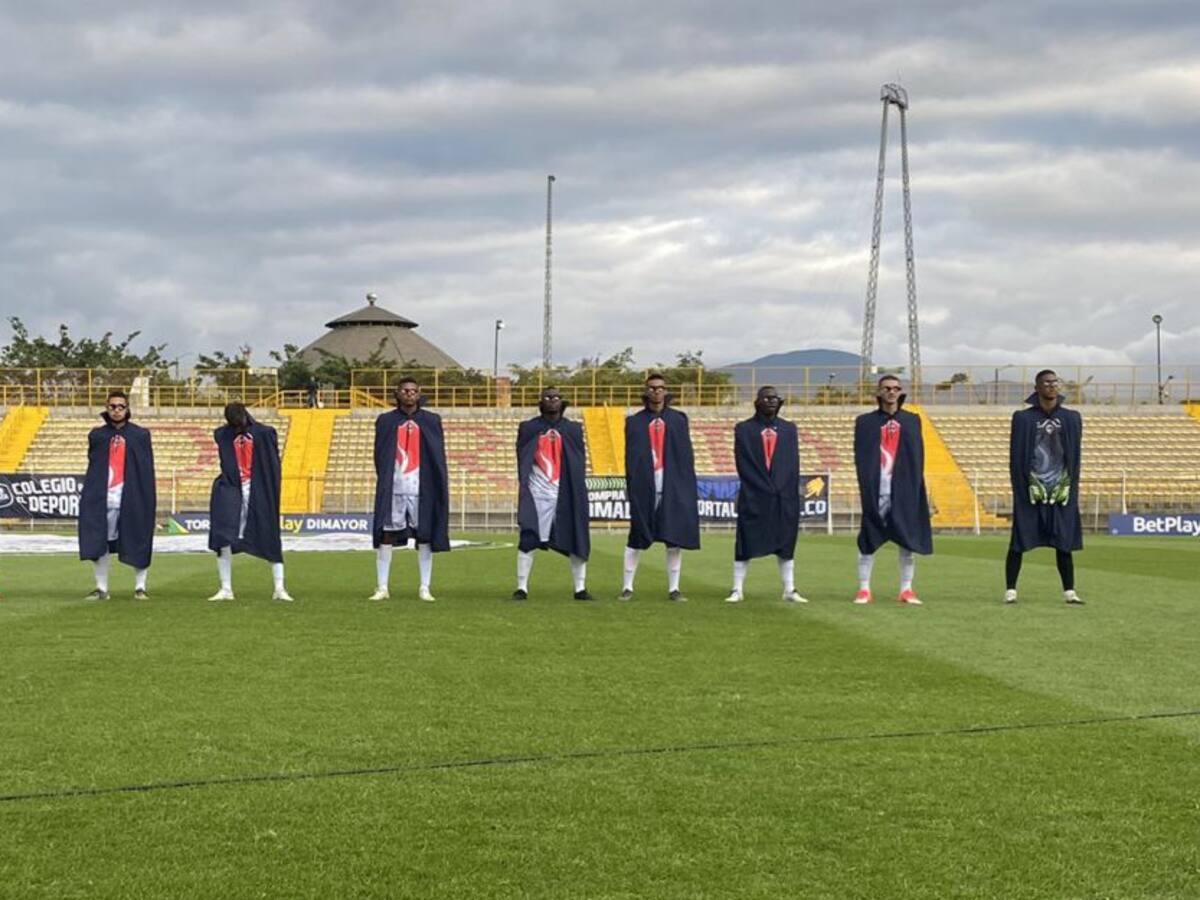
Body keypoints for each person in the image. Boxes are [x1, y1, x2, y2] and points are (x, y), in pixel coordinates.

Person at [1005, 369, 1084, 605]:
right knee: (1019, 540)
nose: (1052, 386)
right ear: (1037, 387)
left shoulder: (1072, 418)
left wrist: (1069, 484)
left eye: (1055, 382)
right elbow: (1016, 455)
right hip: (1032, 489)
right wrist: (1024, 486)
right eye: (1047, 382)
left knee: (1064, 541)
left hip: (1061, 488)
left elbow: (1075, 456)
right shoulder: (1023, 418)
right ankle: (1011, 590)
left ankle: (1069, 591)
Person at [852, 374, 933, 604]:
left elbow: (917, 456)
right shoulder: (865, 422)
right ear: (879, 392)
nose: (891, 392)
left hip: (903, 491)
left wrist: (913, 487)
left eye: (896, 388)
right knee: (867, 540)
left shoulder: (912, 420)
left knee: (906, 542)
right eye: (886, 388)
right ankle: (864, 589)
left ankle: (906, 589)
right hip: (876, 489)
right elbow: (860, 456)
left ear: (900, 392)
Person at [620, 373, 700, 602]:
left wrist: (685, 486)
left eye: (660, 388)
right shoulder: (634, 422)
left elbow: (686, 456)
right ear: (646, 392)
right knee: (636, 536)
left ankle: (674, 588)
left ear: (666, 391)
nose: (656, 391)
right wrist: (633, 485)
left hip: (672, 482)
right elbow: (630, 457)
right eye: (652, 388)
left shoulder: (678, 419)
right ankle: (627, 587)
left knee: (673, 538)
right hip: (644, 483)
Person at [369, 377, 450, 601]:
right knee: (386, 534)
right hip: (394, 486)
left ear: (419, 394)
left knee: (423, 536)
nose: (409, 394)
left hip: (420, 487)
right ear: (397, 394)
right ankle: (382, 587)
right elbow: (380, 454)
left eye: (413, 391)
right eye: (405, 390)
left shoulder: (432, 420)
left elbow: (437, 455)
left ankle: (425, 586)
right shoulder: (385, 421)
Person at [724, 386, 807, 603]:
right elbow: (744, 462)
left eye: (775, 398)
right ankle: (737, 589)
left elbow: (792, 464)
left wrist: (781, 488)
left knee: (786, 542)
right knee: (745, 541)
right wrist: (762, 486)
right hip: (754, 494)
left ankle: (789, 589)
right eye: (767, 397)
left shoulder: (789, 429)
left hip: (783, 497)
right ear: (757, 402)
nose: (771, 401)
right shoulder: (744, 429)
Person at [207, 402, 292, 601]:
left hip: (258, 488)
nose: (238, 428)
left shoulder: (265, 433)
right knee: (223, 535)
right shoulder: (222, 435)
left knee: (270, 534)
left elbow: (272, 465)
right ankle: (226, 588)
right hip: (232, 488)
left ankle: (279, 587)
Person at [513, 387, 592, 601]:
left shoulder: (573, 429)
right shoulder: (529, 428)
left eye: (556, 397)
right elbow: (522, 457)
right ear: (541, 401)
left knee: (576, 537)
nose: (552, 401)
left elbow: (578, 460)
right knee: (529, 537)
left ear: (562, 402)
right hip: (537, 491)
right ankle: (521, 587)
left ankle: (580, 588)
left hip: (565, 492)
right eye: (548, 397)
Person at [78, 390, 156, 600]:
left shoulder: (140, 435)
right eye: (112, 406)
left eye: (121, 406)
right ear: (106, 407)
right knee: (98, 540)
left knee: (138, 538)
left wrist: (146, 497)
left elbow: (146, 468)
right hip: (103, 497)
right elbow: (94, 465)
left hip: (131, 496)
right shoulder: (97, 435)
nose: (116, 410)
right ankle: (101, 588)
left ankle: (140, 587)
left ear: (127, 408)